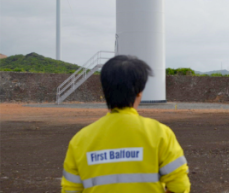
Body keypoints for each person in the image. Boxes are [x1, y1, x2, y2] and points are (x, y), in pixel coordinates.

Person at [61, 55, 190, 193]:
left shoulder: (80, 140)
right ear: (139, 92)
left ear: (105, 91)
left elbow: (70, 190)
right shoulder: (160, 134)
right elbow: (180, 186)